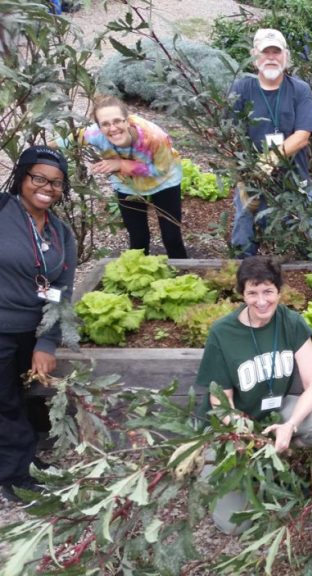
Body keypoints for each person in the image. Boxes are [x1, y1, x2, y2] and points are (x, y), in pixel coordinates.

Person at [194, 255, 312, 534]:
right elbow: (221, 404)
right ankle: (231, 468)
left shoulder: (291, 322)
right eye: (253, 293)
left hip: (274, 413)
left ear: (279, 291)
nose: (261, 301)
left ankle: (278, 462)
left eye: (268, 291)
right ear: (242, 294)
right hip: (231, 427)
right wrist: (248, 438)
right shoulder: (223, 333)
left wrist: (291, 425)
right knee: (235, 525)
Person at [0, 146, 77, 503]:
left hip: (31, 332)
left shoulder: (60, 233)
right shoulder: (3, 211)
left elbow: (61, 292)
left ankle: (24, 462)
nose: (48, 188)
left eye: (56, 183)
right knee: (5, 403)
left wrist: (46, 342)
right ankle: (16, 479)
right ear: (22, 177)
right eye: (39, 178)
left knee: (21, 399)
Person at [229, 28, 312, 260]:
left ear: (286, 56)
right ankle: (243, 275)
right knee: (243, 243)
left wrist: (269, 159)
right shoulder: (241, 88)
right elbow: (230, 133)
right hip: (252, 181)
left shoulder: (300, 89)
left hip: (295, 180)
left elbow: (302, 135)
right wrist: (245, 174)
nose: (271, 57)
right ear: (254, 56)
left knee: (308, 244)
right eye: (265, 52)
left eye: (276, 52)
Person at [77, 95, 188, 258]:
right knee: (138, 238)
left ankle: (182, 270)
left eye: (117, 121)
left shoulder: (155, 137)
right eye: (105, 124)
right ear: (98, 127)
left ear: (127, 121)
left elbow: (162, 169)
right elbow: (67, 139)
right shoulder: (94, 134)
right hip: (127, 183)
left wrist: (121, 165)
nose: (112, 128)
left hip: (164, 181)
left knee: (171, 237)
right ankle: (139, 271)